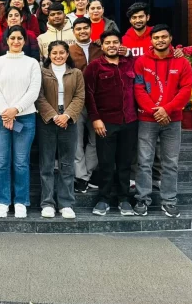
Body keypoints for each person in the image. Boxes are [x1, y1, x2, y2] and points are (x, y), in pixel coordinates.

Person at [133, 25, 192, 218]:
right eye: (156, 37)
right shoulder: (141, 61)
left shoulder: (182, 63)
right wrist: (155, 111)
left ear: (170, 38)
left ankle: (169, 201)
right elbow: (139, 89)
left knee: (170, 163)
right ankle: (142, 199)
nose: (160, 40)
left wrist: (167, 109)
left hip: (172, 120)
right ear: (151, 40)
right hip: (147, 120)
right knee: (144, 162)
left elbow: (186, 90)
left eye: (163, 37)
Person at [0, 25, 41, 219]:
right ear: (7, 40)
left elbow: (34, 91)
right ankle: (3, 201)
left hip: (25, 117)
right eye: (13, 38)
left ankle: (20, 201)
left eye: (20, 38)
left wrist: (15, 110)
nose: (16, 41)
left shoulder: (32, 63)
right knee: (2, 162)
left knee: (21, 162)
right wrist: (6, 112)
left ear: (24, 41)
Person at [84, 30, 138, 217]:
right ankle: (104, 199)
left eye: (115, 42)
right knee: (106, 163)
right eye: (108, 43)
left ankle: (124, 199)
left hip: (130, 121)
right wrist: (95, 118)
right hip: (105, 122)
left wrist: (129, 54)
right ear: (102, 45)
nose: (112, 45)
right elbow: (89, 94)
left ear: (120, 44)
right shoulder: (94, 67)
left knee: (125, 163)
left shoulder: (129, 63)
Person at [37, 41, 85, 219]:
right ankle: (47, 203)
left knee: (67, 164)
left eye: (62, 52)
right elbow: (39, 96)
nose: (58, 56)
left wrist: (67, 116)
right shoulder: (42, 73)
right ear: (49, 55)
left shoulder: (76, 73)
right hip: (47, 121)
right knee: (47, 164)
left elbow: (80, 97)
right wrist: (53, 116)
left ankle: (66, 203)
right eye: (54, 53)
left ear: (67, 54)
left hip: (69, 121)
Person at [68, 17, 102, 193]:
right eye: (78, 29)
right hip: (77, 101)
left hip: (98, 101)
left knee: (96, 139)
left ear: (91, 29)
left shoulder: (100, 48)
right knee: (77, 140)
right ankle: (80, 176)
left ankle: (87, 173)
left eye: (85, 28)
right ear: (74, 32)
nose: (82, 31)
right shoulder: (69, 51)